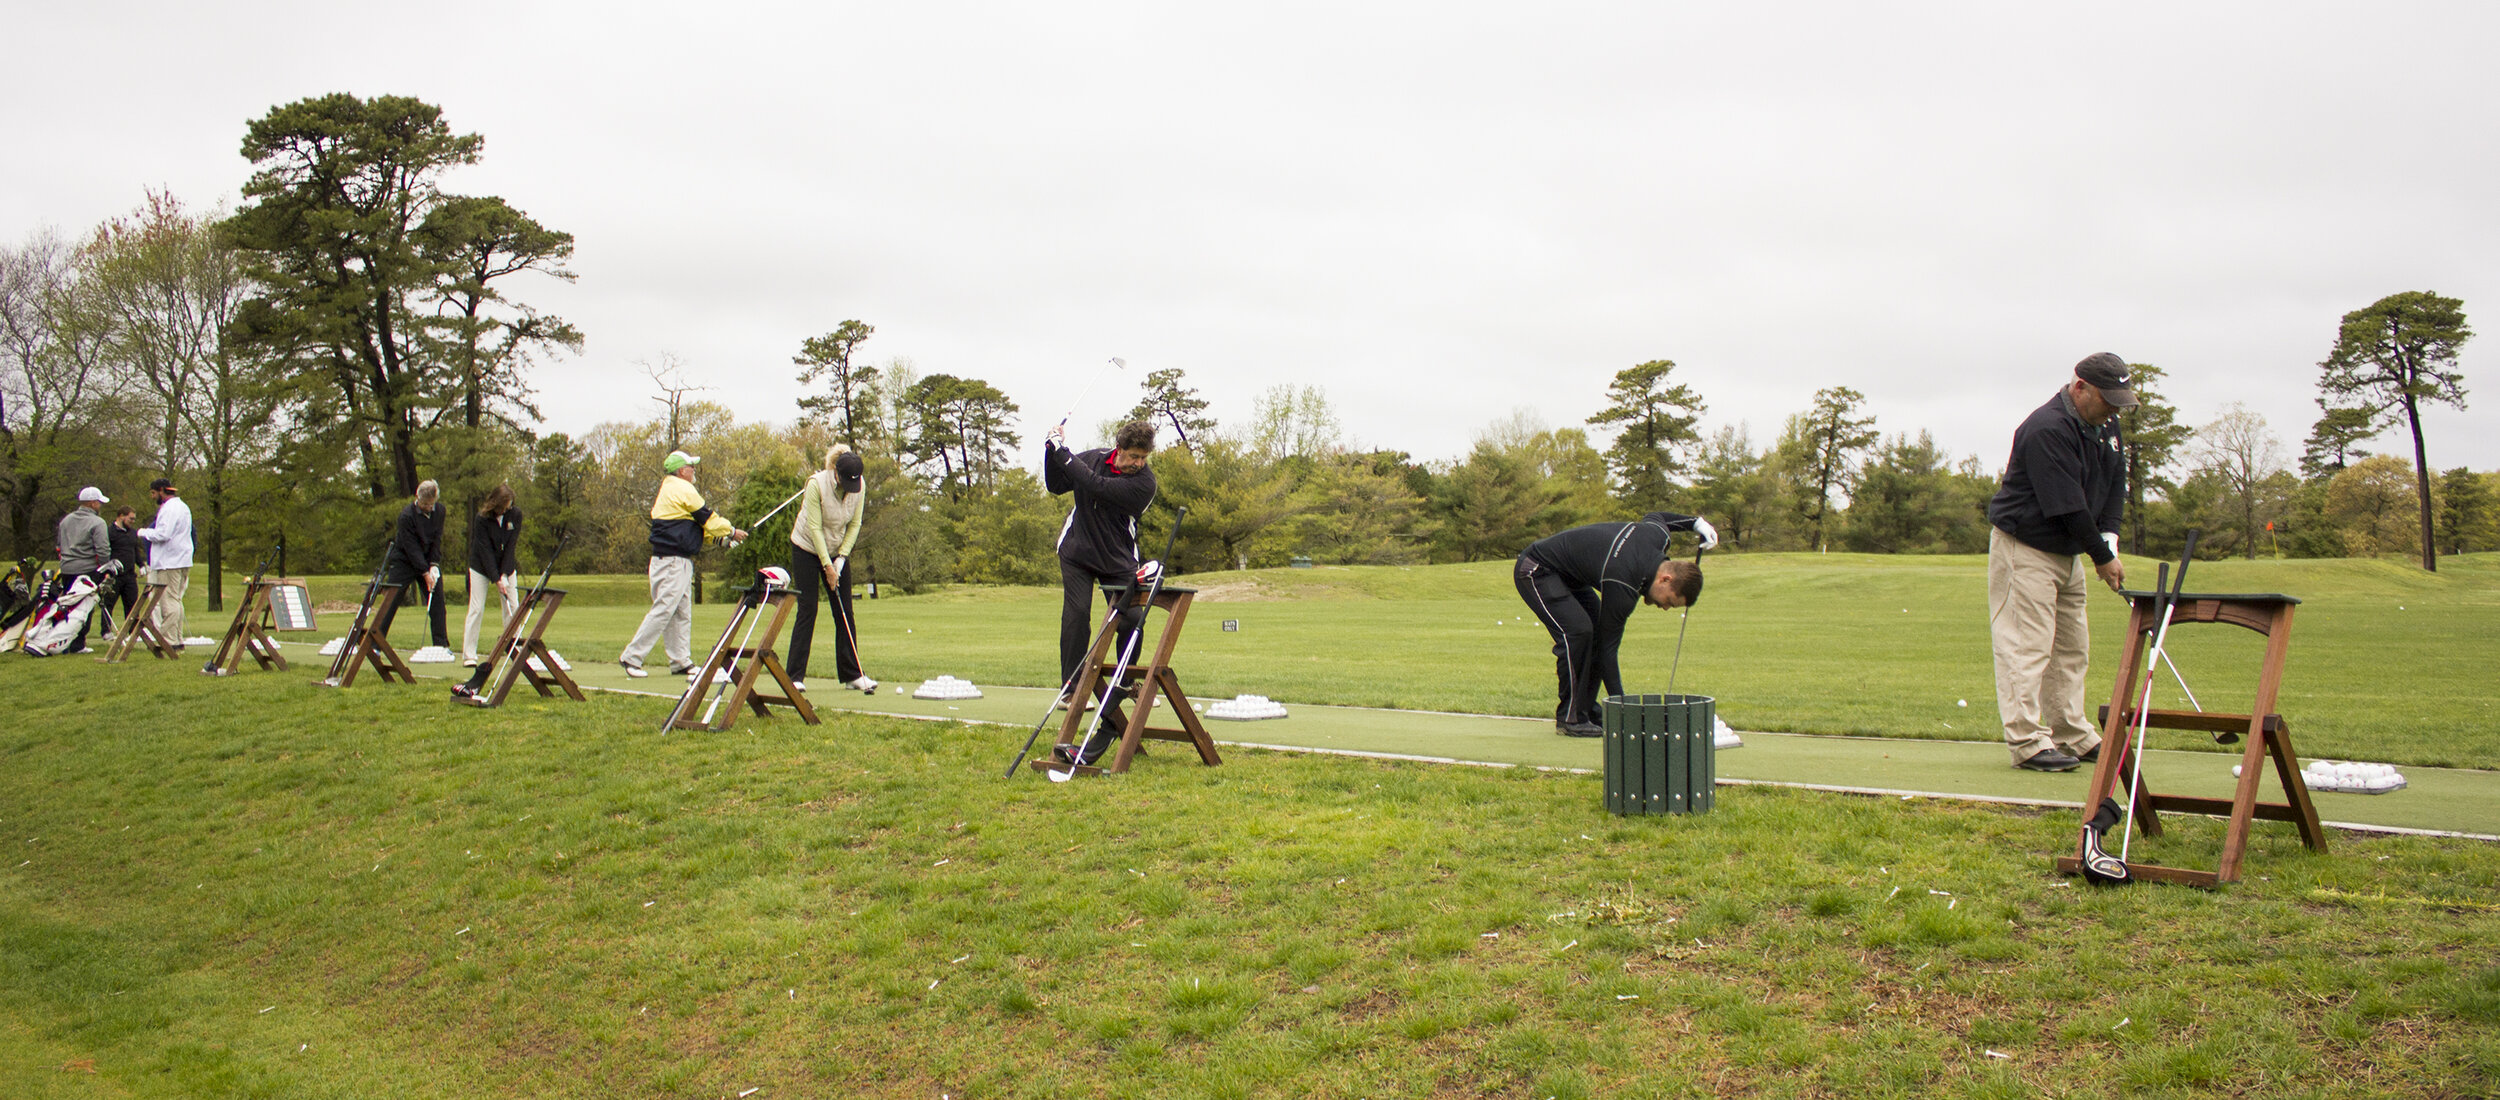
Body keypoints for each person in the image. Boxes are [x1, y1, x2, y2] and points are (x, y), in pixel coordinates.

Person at [1986, 353, 2134, 772]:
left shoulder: (2105, 421)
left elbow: (2114, 481)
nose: (2114, 409)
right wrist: (2102, 558)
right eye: (2108, 399)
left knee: (2071, 648)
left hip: (2067, 552)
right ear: (2080, 387)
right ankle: (2028, 741)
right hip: (2026, 547)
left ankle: (2071, 732)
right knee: (2026, 646)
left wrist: (2110, 538)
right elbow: (2066, 506)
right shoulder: (2046, 428)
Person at [1515, 511, 1715, 736]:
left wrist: (1695, 523)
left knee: (1594, 635)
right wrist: (1627, 712)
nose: (1665, 607)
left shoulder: (1658, 537)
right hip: (1537, 569)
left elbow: (1657, 516)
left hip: (1570, 577)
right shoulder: (1623, 584)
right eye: (1669, 601)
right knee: (1578, 633)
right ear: (1665, 579)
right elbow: (1608, 654)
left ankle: (1586, 711)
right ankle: (1570, 719)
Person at [1042, 420, 1159, 698]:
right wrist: (1051, 450)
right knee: (1078, 614)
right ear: (1118, 449)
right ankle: (1070, 688)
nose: (1138, 463)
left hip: (1117, 557)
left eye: (1143, 457)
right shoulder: (1093, 459)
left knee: (1131, 619)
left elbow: (1098, 487)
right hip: (1076, 550)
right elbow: (1056, 484)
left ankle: (1124, 682)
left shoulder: (1144, 483)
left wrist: (1064, 454)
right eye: (1133, 456)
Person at [619, 450, 745, 678]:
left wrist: (721, 541)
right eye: (691, 466)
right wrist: (732, 531)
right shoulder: (682, 488)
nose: (694, 470)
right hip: (672, 561)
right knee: (665, 609)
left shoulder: (670, 488)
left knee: (681, 611)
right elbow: (708, 519)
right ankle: (632, 658)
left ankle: (680, 662)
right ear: (681, 470)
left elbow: (694, 528)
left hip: (675, 560)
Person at [786, 444, 872, 694]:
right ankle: (794, 676)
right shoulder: (816, 484)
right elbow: (814, 528)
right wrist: (827, 565)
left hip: (836, 549)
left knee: (844, 610)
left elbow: (855, 524)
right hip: (806, 547)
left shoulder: (859, 485)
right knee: (808, 608)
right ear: (835, 472)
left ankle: (852, 674)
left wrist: (841, 559)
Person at [371, 480, 450, 649]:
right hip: (404, 561)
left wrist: (434, 565)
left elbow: (437, 539)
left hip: (428, 560)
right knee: (391, 602)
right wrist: (424, 572)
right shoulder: (406, 516)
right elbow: (411, 548)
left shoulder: (440, 511)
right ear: (418, 498)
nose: (429, 507)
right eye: (425, 504)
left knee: (437, 602)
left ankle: (441, 645)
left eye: (431, 504)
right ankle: (375, 645)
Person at [462, 484, 523, 666]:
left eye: (509, 506)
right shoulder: (482, 519)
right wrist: (496, 579)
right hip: (481, 566)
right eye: (503, 506)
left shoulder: (515, 515)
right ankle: (469, 655)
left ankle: (514, 649)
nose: (506, 509)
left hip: (506, 565)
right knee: (476, 608)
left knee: (513, 605)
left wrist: (504, 574)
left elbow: (511, 546)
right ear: (495, 504)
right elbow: (485, 551)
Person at [52, 486, 112, 654]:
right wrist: (104, 568)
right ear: (92, 503)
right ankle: (78, 644)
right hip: (88, 569)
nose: (100, 506)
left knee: (68, 604)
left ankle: (63, 641)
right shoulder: (97, 522)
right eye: (99, 503)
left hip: (67, 568)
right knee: (84, 607)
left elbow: (59, 545)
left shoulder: (66, 520)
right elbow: (103, 550)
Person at [135, 477, 194, 650]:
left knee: (169, 601)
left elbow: (163, 534)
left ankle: (169, 640)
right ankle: (176, 639)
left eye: (154, 493)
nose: (153, 497)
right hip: (180, 559)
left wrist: (142, 532)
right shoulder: (182, 506)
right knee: (175, 599)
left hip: (170, 561)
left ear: (161, 490)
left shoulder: (169, 509)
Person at [107, 505, 143, 630]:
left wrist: (142, 565)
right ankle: (106, 631)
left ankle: (132, 632)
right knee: (108, 604)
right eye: (130, 519)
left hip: (129, 575)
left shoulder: (132, 533)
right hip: (114, 576)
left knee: (133, 605)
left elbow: (135, 551)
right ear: (121, 516)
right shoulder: (110, 532)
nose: (133, 522)